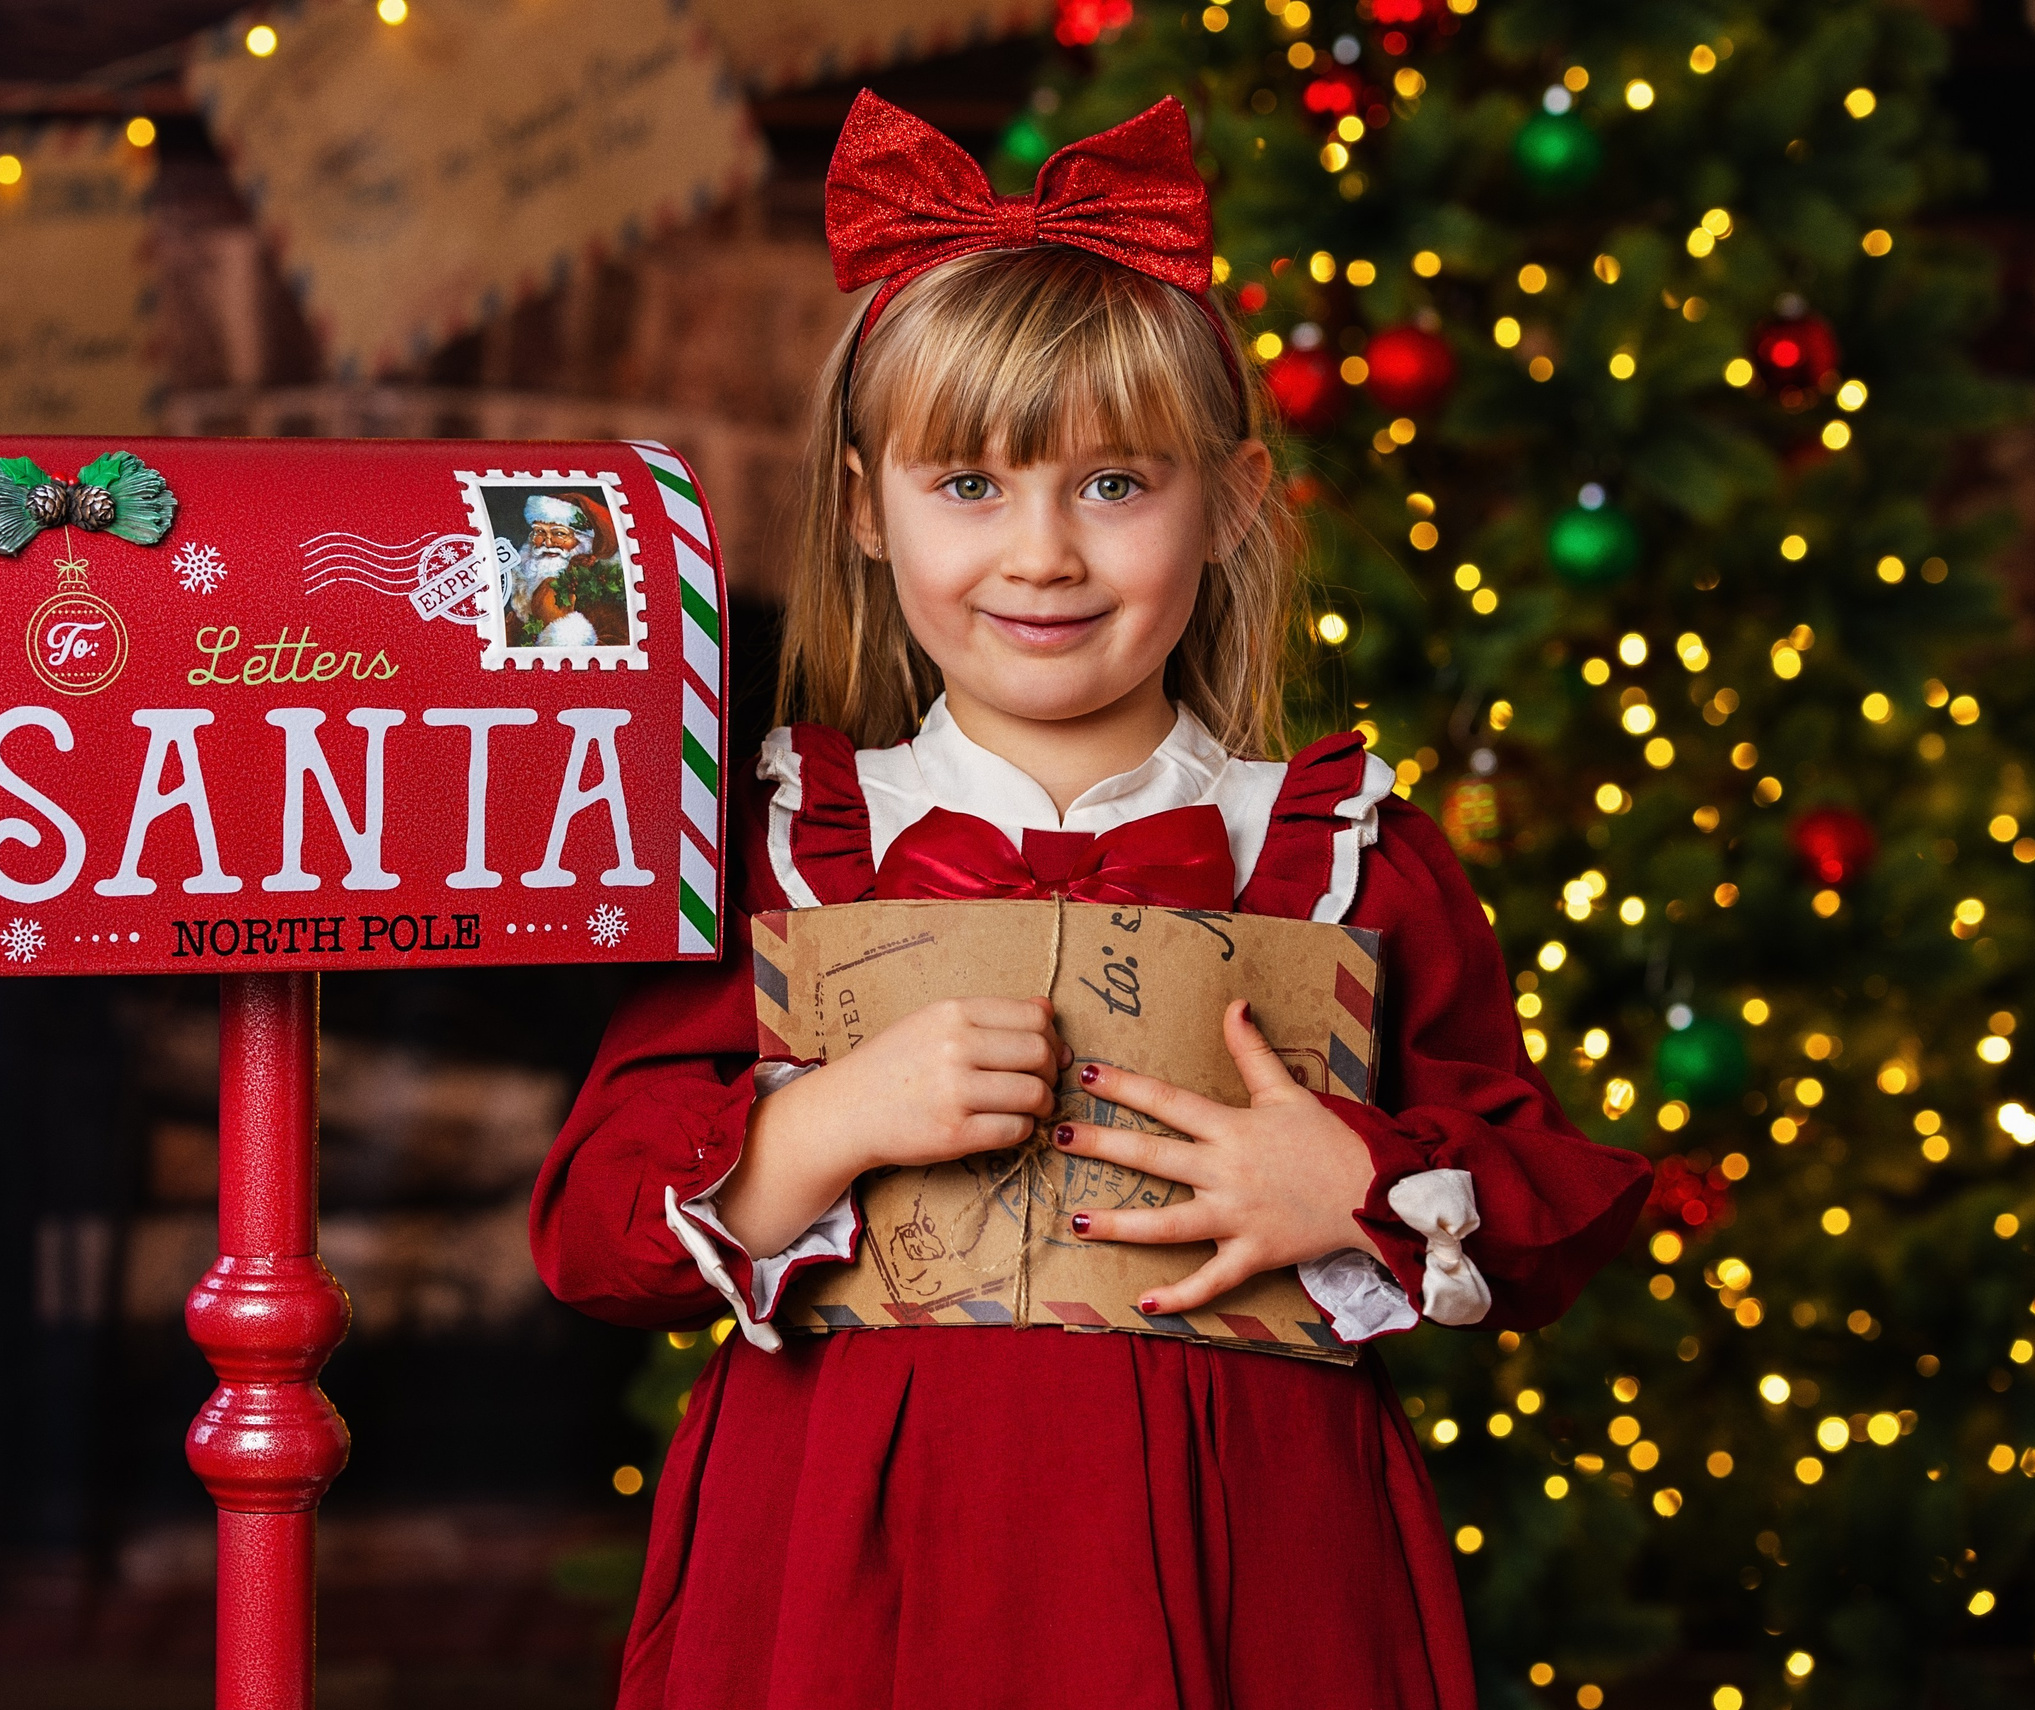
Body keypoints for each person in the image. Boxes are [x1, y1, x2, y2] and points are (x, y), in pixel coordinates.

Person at [530, 91, 1652, 1710]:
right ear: (863, 506)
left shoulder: (1346, 856)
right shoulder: (781, 849)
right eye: (969, 484)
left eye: (1115, 484)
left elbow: (1544, 1208)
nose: (1043, 553)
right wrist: (828, 1119)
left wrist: (1351, 1181)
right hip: (850, 1562)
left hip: (1256, 1553)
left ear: (1235, 499)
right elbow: (593, 1233)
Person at [506, 490, 619, 647]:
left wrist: (563, 632)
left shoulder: (604, 594)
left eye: (559, 533)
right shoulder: (524, 591)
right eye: (540, 531)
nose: (548, 543)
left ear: (583, 540)